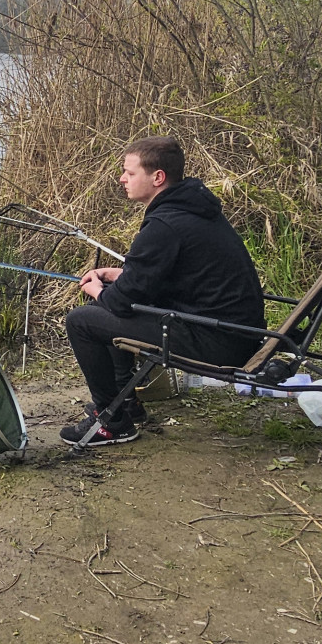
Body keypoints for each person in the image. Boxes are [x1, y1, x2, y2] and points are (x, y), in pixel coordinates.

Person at [61, 136, 266, 447]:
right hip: (235, 331)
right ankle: (125, 403)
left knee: (82, 320)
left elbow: (120, 302)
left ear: (157, 177)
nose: (122, 178)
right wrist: (120, 275)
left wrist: (96, 289)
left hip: (218, 342)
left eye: (130, 172)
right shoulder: (193, 208)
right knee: (113, 302)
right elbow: (180, 273)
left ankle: (111, 421)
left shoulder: (164, 224)